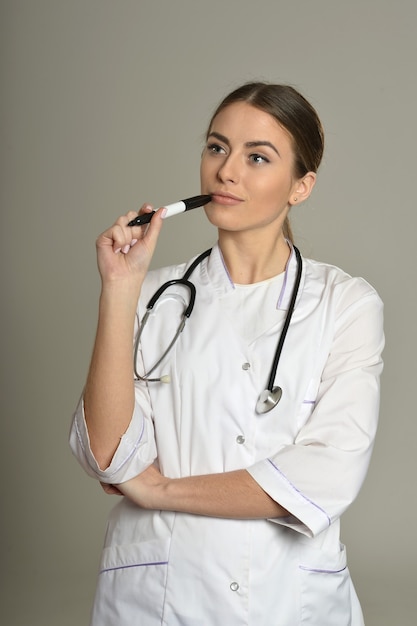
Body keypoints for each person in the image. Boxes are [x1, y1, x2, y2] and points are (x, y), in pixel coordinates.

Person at [70, 82, 384, 625]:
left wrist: (160, 488)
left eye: (257, 157)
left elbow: (325, 474)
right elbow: (109, 457)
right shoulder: (150, 297)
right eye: (216, 148)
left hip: (289, 597)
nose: (226, 171)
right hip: (162, 593)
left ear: (300, 186)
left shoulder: (347, 304)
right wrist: (119, 290)